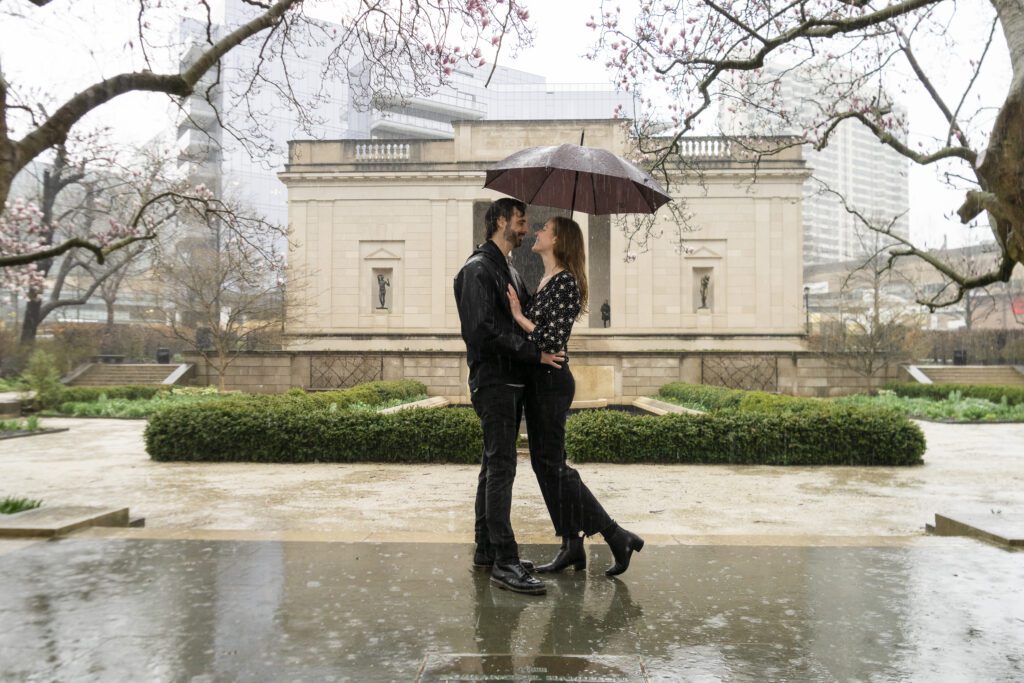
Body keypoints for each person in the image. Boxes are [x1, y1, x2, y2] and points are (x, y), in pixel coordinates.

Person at [507, 216, 645, 577]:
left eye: (544, 229)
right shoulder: (547, 279)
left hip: (552, 383)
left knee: (552, 466)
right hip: (542, 381)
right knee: (545, 465)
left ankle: (617, 535)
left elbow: (551, 339)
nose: (536, 232)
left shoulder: (566, 282)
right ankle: (572, 546)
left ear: (558, 240)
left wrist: (520, 317)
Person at [454, 197, 565, 596]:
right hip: (494, 381)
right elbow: (481, 332)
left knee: (493, 465)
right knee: (501, 467)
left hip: (510, 382)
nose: (524, 228)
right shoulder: (477, 269)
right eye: (520, 221)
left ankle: (488, 551)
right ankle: (504, 560)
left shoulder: (509, 271)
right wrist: (533, 353)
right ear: (500, 221)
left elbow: (525, 320)